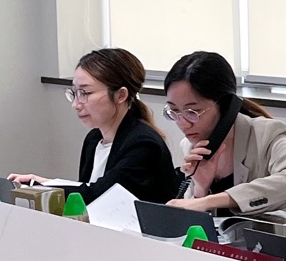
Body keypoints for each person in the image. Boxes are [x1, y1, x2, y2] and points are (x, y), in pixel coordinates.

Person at [14, 47, 178, 206]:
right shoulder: (94, 138)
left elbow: (99, 197)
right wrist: (44, 183)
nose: (76, 105)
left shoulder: (143, 144)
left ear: (121, 95)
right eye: (74, 93)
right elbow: (87, 190)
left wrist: (42, 189)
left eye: (85, 93)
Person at [159, 51, 286, 216]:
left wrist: (210, 201)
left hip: (264, 233)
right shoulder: (190, 145)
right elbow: (191, 216)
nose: (183, 123)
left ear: (226, 105)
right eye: (174, 111)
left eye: (193, 112)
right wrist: (200, 189)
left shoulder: (266, 134)